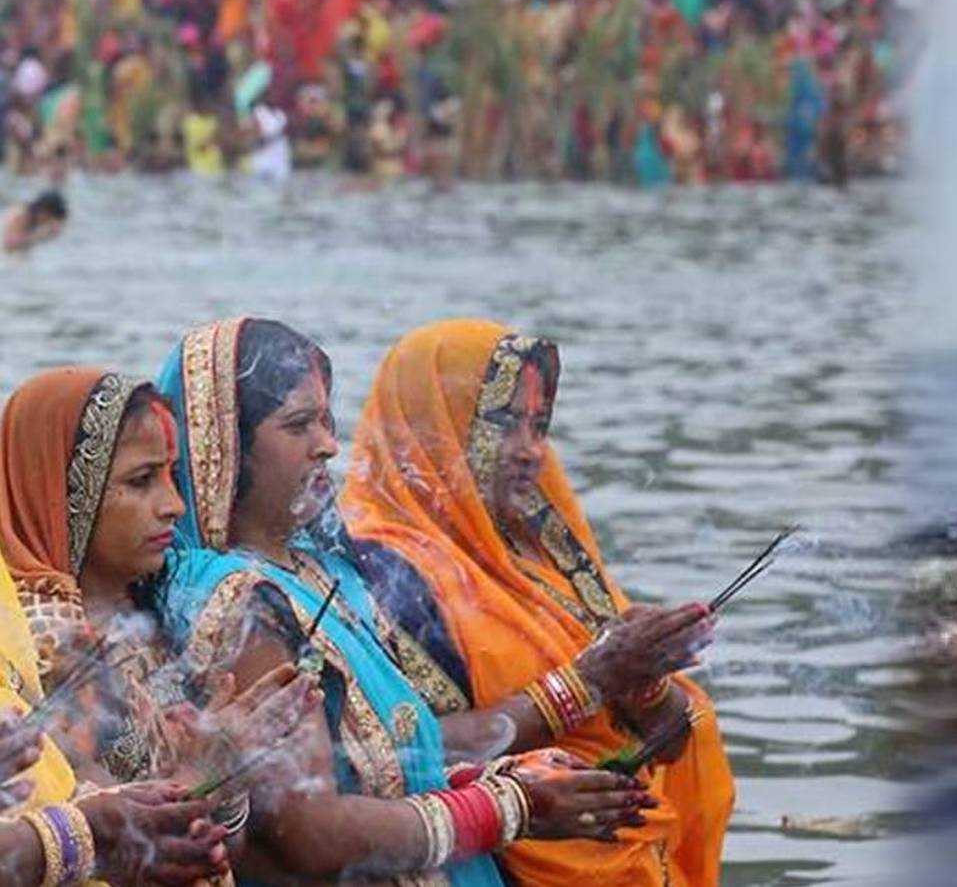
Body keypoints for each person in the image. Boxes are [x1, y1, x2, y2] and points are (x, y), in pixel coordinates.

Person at [152, 319, 656, 883]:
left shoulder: (320, 568)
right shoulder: (238, 599)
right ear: (226, 447)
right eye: (297, 425)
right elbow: (309, 834)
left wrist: (502, 778)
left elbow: (381, 762)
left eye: (326, 418)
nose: (328, 444)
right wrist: (512, 807)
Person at [342, 320, 735, 886]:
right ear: (431, 425)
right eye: (503, 424)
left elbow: (666, 739)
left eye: (540, 426)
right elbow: (402, 752)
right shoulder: (379, 571)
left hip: (631, 852)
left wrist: (646, 681)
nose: (530, 451)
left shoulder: (537, 548)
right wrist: (588, 681)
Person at [0, 367, 295, 884]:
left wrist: (223, 778)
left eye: (172, 477)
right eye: (141, 481)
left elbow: (204, 848)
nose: (173, 506)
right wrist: (208, 773)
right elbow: (118, 839)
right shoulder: (44, 639)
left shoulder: (146, 619)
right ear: (64, 493)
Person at [2, 190, 66, 254]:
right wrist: (40, 235)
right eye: (50, 218)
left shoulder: (35, 216)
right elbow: (9, 245)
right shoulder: (22, 215)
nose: (49, 222)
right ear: (43, 211)